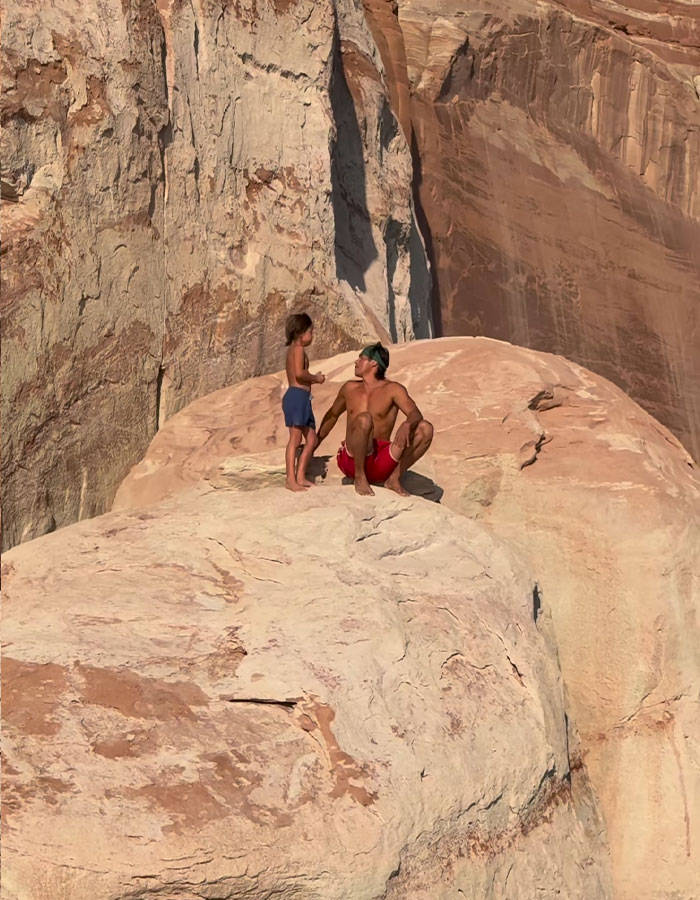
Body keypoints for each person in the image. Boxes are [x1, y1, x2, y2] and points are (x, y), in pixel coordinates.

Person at [316, 342, 433, 496]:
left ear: (374, 363)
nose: (356, 361)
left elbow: (415, 413)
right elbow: (332, 415)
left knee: (426, 428)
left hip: (381, 461)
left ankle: (394, 478)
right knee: (364, 419)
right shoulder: (349, 388)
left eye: (361, 358)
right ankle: (359, 477)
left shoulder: (393, 389)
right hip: (352, 460)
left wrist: (407, 424)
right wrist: (313, 444)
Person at [282, 313, 325, 492]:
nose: (312, 335)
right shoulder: (298, 349)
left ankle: (300, 476)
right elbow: (300, 373)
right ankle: (290, 479)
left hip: (303, 398)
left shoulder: (295, 350)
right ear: (300, 333)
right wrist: (316, 378)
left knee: (312, 438)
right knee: (295, 438)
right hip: (297, 396)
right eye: (310, 332)